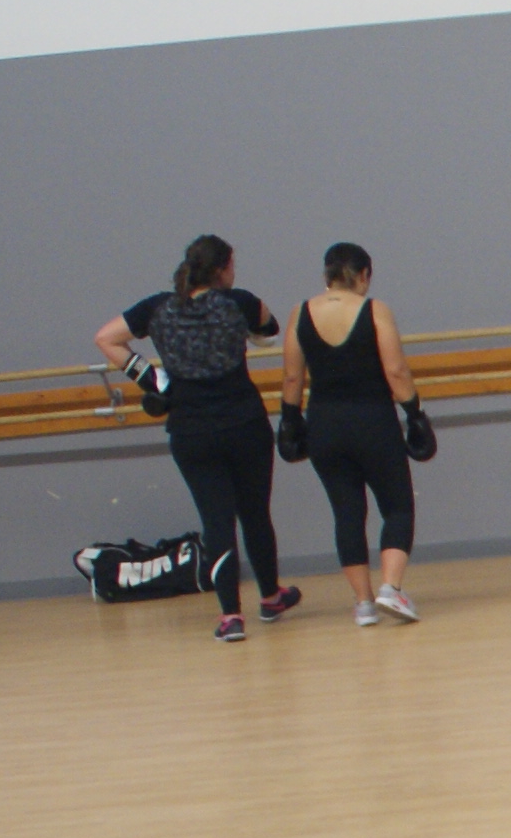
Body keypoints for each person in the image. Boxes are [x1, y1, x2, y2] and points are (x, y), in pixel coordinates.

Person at [98, 236, 295, 643]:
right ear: (222, 268)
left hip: (190, 430)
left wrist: (152, 378)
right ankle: (271, 596)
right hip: (244, 423)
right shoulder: (238, 301)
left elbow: (107, 338)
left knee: (215, 521)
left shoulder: (158, 308)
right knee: (255, 513)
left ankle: (229, 617)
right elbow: (270, 329)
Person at [279, 242, 423, 625]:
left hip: (324, 424)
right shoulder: (374, 310)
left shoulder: (300, 313)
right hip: (373, 419)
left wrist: (290, 421)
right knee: (397, 505)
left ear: (326, 277)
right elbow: (395, 370)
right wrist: (415, 414)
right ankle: (390, 588)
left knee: (346, 512)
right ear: (364, 276)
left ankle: (363, 604)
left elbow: (293, 375)